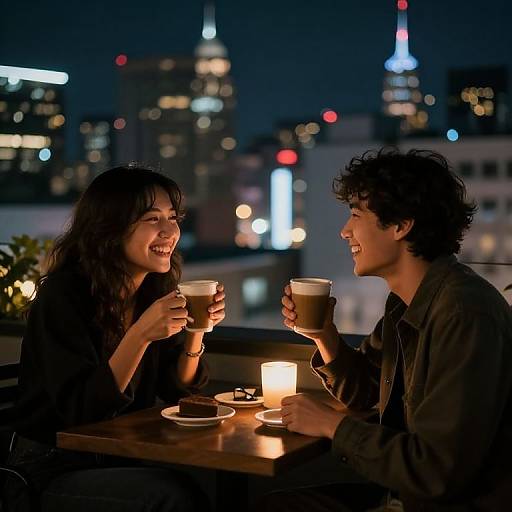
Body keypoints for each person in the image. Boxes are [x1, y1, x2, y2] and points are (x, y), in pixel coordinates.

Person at [275, 148, 512, 511]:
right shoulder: (405, 301)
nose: (344, 231)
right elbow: (366, 390)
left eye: (355, 215)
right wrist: (324, 335)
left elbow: (435, 471)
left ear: (402, 225)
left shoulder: (464, 312)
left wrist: (332, 427)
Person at [4, 165, 226, 511]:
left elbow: (177, 389)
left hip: (113, 455)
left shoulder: (151, 292)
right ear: (110, 229)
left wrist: (197, 332)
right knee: (170, 494)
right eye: (153, 219)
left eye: (173, 217)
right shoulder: (64, 296)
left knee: (194, 485)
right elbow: (82, 411)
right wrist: (139, 335)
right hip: (48, 467)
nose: (170, 231)